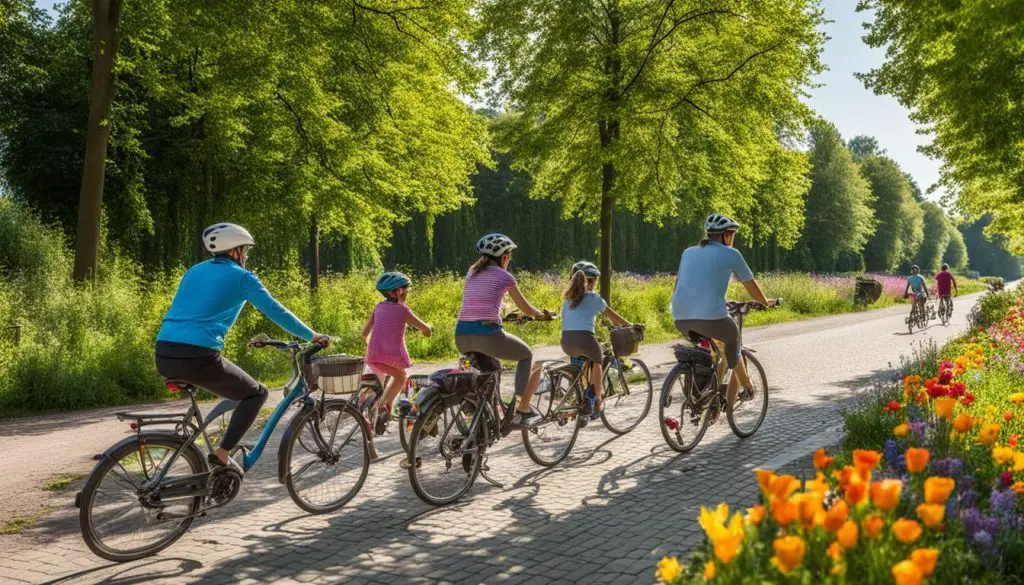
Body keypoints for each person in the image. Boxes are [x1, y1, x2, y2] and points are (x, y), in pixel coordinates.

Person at [155, 223, 330, 469]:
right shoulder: (242, 277)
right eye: (245, 250)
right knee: (256, 393)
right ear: (236, 250)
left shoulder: (194, 271)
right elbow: (275, 310)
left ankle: (203, 468)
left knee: (237, 388)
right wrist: (312, 334)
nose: (246, 255)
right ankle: (223, 454)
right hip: (197, 356)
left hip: (164, 352)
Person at [670, 214, 777, 414]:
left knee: (713, 351)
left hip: (679, 317)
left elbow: (684, 284)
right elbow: (750, 284)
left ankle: (708, 399)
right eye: (732, 235)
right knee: (732, 336)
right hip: (711, 317)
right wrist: (765, 302)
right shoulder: (732, 254)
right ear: (727, 236)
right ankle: (747, 385)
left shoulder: (688, 252)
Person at [455, 233, 550, 428]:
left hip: (461, 335)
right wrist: (540, 314)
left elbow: (481, 300)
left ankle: (481, 412)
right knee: (526, 355)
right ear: (504, 257)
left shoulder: (472, 272)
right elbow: (526, 308)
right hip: (488, 335)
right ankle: (522, 407)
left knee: (491, 368)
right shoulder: (505, 276)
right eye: (509, 256)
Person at [560, 261, 632, 420]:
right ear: (591, 281)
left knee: (578, 366)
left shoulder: (567, 299)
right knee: (597, 359)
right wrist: (630, 325)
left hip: (566, 342)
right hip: (585, 339)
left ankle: (574, 400)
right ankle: (597, 401)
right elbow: (613, 317)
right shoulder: (594, 298)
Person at [362, 271, 431, 435]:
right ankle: (384, 407)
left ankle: (376, 405)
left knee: (385, 377)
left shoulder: (378, 308)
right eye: (405, 289)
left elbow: (364, 333)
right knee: (401, 376)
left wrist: (373, 345)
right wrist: (428, 331)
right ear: (397, 292)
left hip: (372, 356)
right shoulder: (403, 310)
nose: (406, 292)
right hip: (392, 357)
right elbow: (425, 329)